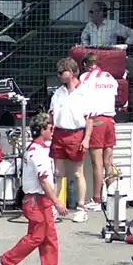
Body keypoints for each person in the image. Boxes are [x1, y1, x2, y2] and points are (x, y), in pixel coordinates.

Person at [0, 112, 69, 265]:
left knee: (50, 237)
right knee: (36, 237)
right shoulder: (37, 152)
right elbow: (42, 180)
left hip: (40, 200)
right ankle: (3, 262)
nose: (52, 130)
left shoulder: (39, 149)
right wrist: (57, 201)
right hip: (36, 200)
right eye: (50, 128)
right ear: (42, 130)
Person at [49, 57, 95, 223]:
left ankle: (81, 208)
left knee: (77, 173)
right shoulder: (58, 92)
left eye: (62, 72)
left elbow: (90, 118)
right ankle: (55, 206)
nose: (59, 75)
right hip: (59, 134)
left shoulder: (84, 92)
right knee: (58, 173)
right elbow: (51, 113)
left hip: (76, 134)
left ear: (72, 72)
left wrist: (86, 139)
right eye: (59, 72)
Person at [79, 53, 120, 211]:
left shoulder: (85, 78)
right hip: (110, 121)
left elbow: (81, 99)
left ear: (85, 64)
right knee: (108, 163)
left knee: (97, 163)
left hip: (96, 121)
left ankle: (96, 200)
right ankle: (112, 198)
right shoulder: (110, 77)